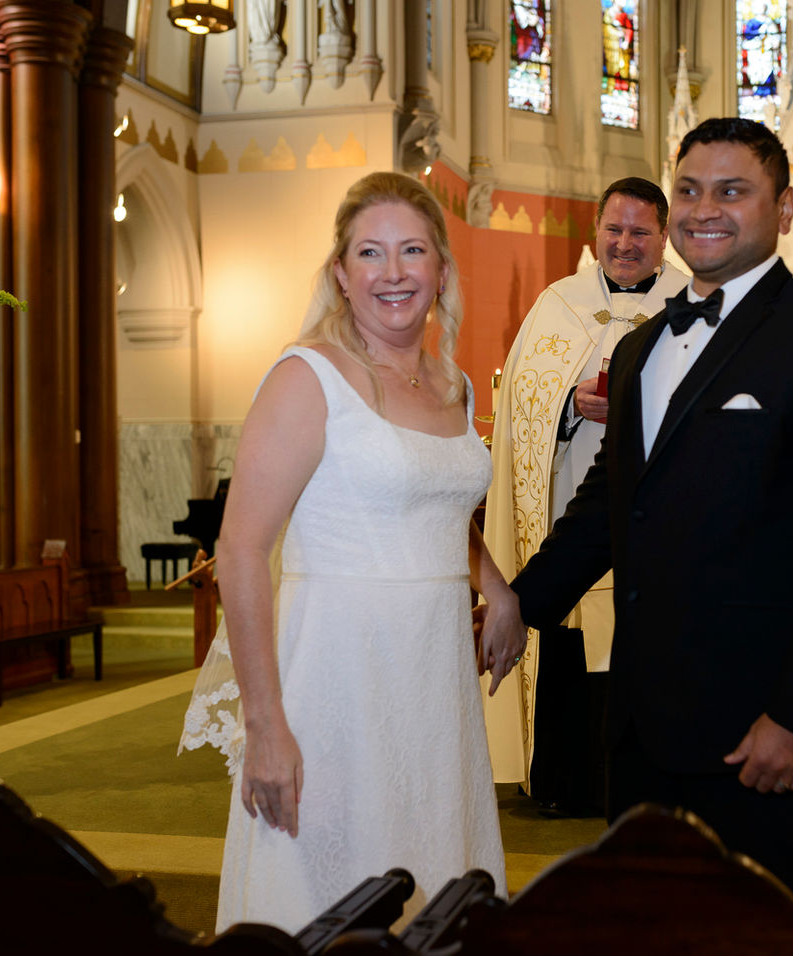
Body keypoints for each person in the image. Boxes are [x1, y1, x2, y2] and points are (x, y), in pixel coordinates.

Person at [506, 118, 793, 919]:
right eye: (688, 190)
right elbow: (610, 505)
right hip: (642, 730)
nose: (704, 209)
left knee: (781, 934)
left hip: (764, 733)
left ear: (785, 208)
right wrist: (522, 601)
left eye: (733, 190)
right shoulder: (639, 349)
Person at [182, 171, 525, 934]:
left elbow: (431, 505)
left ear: (441, 266)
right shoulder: (307, 378)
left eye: (412, 250)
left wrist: (498, 588)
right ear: (340, 272)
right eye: (370, 253)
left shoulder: (452, 385)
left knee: (434, 864)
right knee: (331, 882)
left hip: (432, 682)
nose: (393, 273)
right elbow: (240, 550)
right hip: (337, 676)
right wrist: (265, 725)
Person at [484, 177, 687, 815]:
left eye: (640, 233)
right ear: (595, 234)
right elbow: (521, 402)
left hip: (660, 521)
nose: (625, 244)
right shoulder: (557, 304)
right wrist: (570, 405)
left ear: (664, 238)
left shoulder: (693, 303)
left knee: (647, 646)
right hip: (572, 505)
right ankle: (566, 785)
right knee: (570, 639)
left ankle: (648, 788)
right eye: (615, 230)